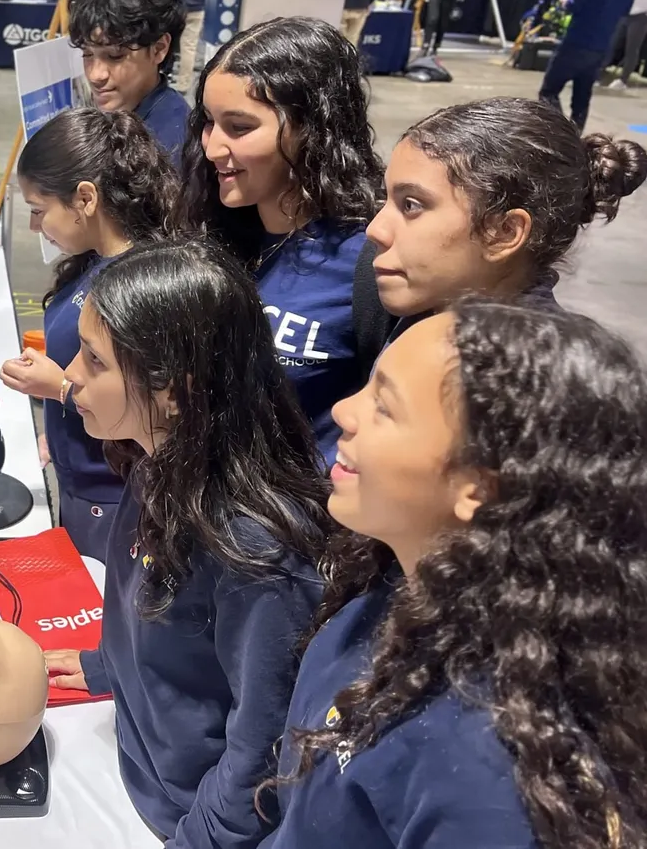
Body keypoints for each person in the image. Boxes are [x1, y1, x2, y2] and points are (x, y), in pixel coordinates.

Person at [263, 299, 647, 849]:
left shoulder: (489, 781)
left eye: (385, 407)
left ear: (479, 487)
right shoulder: (387, 582)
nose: (345, 410)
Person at [43, 238, 330, 849]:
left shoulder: (256, 552)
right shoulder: (159, 461)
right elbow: (162, 626)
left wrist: (198, 838)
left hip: (186, 821)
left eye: (94, 361)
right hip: (136, 768)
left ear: (173, 389)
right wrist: (105, 665)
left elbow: (266, 748)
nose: (69, 376)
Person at [180, 17, 391, 461]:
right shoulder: (214, 231)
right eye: (208, 122)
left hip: (308, 521)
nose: (213, 147)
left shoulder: (371, 261)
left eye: (238, 127)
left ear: (312, 129)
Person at [0, 109, 179, 561]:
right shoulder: (93, 260)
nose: (35, 228)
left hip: (115, 495)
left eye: (40, 211)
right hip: (83, 477)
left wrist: (59, 390)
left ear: (85, 198)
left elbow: (153, 411)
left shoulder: (139, 288)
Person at [367, 96, 646, 340]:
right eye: (385, 198)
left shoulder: (526, 387)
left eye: (411, 205)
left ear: (504, 232)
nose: (375, 229)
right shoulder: (433, 312)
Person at [69, 0, 190, 162]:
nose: (95, 74)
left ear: (159, 49)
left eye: (115, 56)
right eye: (87, 54)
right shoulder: (122, 115)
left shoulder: (167, 149)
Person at [540, 0, 638, 130]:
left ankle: (560, 135)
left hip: (577, 40)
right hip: (603, 45)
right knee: (582, 98)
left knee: (549, 91)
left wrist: (566, 1)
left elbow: (576, 5)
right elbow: (626, 9)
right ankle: (577, 139)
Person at [607, 0, 647, 90]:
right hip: (624, 12)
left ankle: (623, 80)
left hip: (641, 16)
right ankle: (597, 73)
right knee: (611, 43)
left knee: (631, 48)